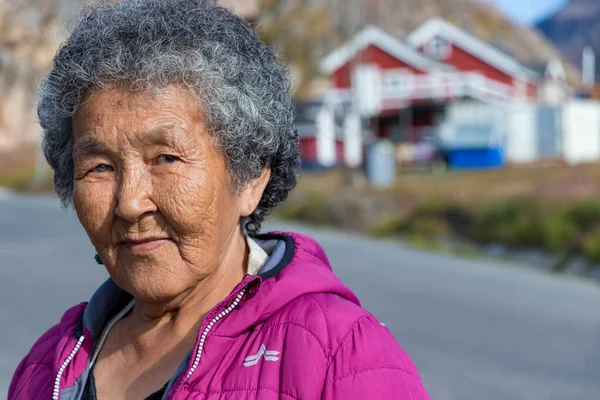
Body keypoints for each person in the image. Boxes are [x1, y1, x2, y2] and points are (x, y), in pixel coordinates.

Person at [9, 1, 430, 399]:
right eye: (100, 166)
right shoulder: (50, 366)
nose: (130, 204)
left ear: (250, 177)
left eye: (166, 158)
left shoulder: (340, 356)